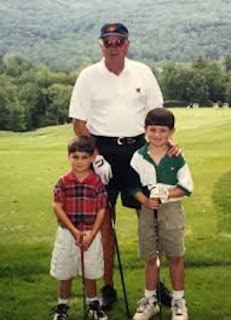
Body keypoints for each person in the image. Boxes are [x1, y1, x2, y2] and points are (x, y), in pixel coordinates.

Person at [69, 22, 176, 309]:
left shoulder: (143, 71)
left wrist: (164, 147)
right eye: (108, 41)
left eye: (119, 41)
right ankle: (108, 287)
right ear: (100, 45)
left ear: (127, 44)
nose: (113, 46)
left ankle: (154, 287)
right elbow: (79, 123)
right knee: (104, 224)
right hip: (101, 150)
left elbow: (158, 116)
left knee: (150, 220)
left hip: (139, 152)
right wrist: (96, 157)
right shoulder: (88, 76)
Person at [128, 108, 193, 320]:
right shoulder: (138, 157)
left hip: (172, 210)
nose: (157, 135)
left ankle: (178, 301)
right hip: (147, 210)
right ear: (145, 130)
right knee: (151, 256)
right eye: (152, 130)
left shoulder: (177, 157)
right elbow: (132, 185)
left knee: (175, 255)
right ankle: (150, 300)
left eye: (162, 130)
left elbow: (186, 187)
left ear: (171, 132)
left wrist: (164, 193)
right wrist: (145, 200)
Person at [50, 136, 108, 320]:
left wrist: (92, 234)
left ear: (92, 158)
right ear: (69, 157)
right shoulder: (63, 181)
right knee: (65, 271)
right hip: (68, 233)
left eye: (84, 157)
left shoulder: (97, 183)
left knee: (90, 271)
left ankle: (93, 304)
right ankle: (62, 306)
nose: (80, 161)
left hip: (91, 232)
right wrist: (74, 231)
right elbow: (57, 206)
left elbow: (101, 209)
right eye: (75, 157)